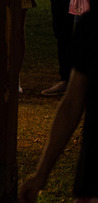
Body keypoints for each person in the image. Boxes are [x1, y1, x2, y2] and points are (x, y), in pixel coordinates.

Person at [19, 12, 98, 202]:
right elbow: (71, 105)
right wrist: (41, 174)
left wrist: (42, 174)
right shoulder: (91, 25)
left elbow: (72, 104)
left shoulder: (91, 24)